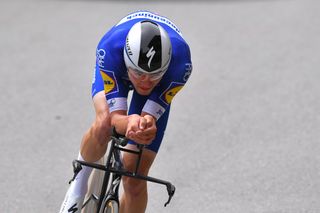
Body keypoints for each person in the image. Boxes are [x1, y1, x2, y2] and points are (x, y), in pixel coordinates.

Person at [59, 10, 192, 213]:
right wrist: (127, 122)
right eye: (138, 74)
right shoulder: (110, 49)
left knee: (134, 178)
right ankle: (77, 188)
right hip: (117, 70)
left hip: (161, 83)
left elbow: (148, 118)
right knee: (104, 122)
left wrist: (144, 126)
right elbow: (117, 119)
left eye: (153, 75)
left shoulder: (181, 66)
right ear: (128, 64)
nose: (145, 81)